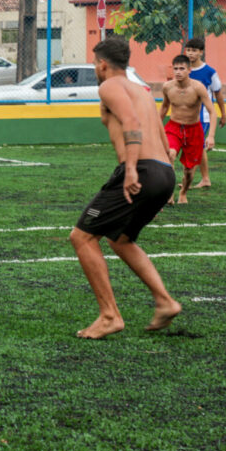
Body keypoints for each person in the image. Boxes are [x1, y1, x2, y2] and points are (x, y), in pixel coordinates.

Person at [70, 35, 182, 340]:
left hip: (140, 169)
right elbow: (161, 137)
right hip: (162, 172)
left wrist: (131, 169)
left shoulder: (109, 86)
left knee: (81, 237)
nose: (95, 68)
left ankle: (109, 316)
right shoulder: (142, 90)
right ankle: (165, 301)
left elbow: (132, 124)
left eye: (95, 63)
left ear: (103, 64)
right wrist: (164, 185)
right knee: (120, 239)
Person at [159, 53, 216, 205]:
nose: (178, 72)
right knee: (170, 154)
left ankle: (183, 192)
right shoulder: (167, 87)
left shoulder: (198, 87)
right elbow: (164, 107)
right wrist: (156, 127)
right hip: (174, 127)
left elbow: (212, 111)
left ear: (189, 70)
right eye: (175, 68)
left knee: (189, 171)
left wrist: (210, 136)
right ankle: (169, 192)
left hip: (194, 130)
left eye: (182, 68)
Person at [183, 37, 226, 188]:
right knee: (198, 147)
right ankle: (206, 179)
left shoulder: (209, 72)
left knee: (195, 147)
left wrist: (223, 114)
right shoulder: (183, 70)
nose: (190, 53)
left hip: (204, 117)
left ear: (201, 52)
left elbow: (218, 94)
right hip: (186, 116)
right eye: (188, 50)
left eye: (194, 50)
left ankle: (187, 180)